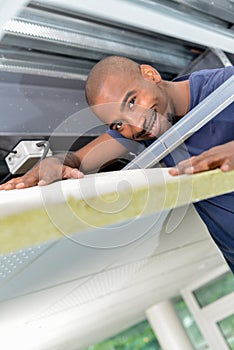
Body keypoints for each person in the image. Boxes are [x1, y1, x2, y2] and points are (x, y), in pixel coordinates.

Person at [0, 56, 233, 270]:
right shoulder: (150, 130)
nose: (136, 126)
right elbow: (79, 159)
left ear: (151, 75)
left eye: (132, 102)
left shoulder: (225, 85)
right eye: (119, 124)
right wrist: (54, 162)